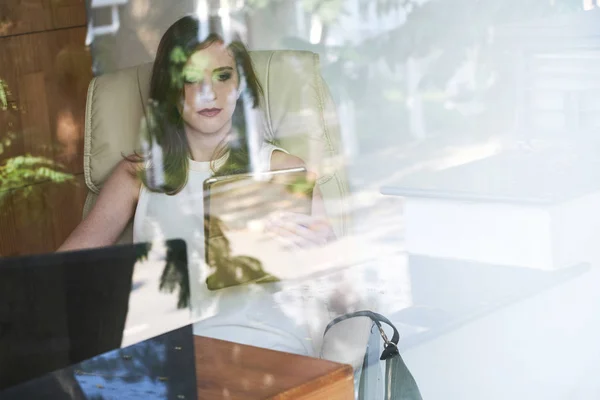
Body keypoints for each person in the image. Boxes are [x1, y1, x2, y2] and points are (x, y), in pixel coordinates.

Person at [59, 15, 370, 375]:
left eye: (223, 76)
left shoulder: (281, 170)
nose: (209, 93)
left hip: (266, 354)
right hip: (167, 361)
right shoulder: (137, 175)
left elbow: (347, 301)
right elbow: (61, 272)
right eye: (191, 79)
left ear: (241, 85)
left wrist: (325, 259)